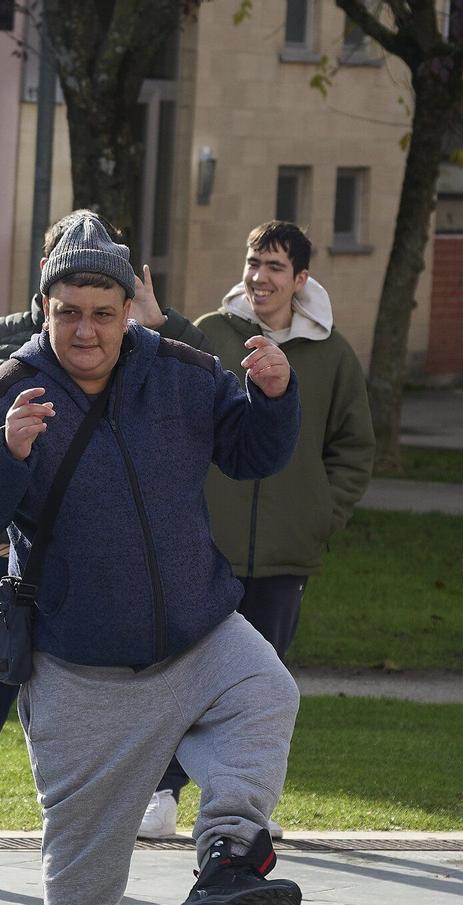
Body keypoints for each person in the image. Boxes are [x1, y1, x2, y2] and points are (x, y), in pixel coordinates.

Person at [0, 211, 303, 905]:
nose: (86, 330)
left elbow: (252, 453)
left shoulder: (179, 370)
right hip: (78, 661)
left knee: (266, 691)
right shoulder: (8, 388)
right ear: (44, 306)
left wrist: (276, 395)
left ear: (129, 307)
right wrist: (6, 454)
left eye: (103, 312)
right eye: (68, 312)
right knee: (82, 848)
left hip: (198, 631)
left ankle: (229, 859)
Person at [0, 216, 207, 887]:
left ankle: (92, 861)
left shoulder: (141, 346)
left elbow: (205, 396)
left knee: (94, 717)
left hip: (86, 569)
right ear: (45, 276)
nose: (86, 323)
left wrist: (160, 323)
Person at [140, 220, 376, 839]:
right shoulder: (213, 334)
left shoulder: (332, 354)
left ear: (301, 279)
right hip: (204, 546)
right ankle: (162, 794)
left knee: (258, 688)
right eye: (253, 263)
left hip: (284, 555)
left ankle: (242, 807)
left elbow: (353, 448)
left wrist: (321, 515)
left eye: (275, 267)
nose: (260, 277)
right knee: (184, 672)